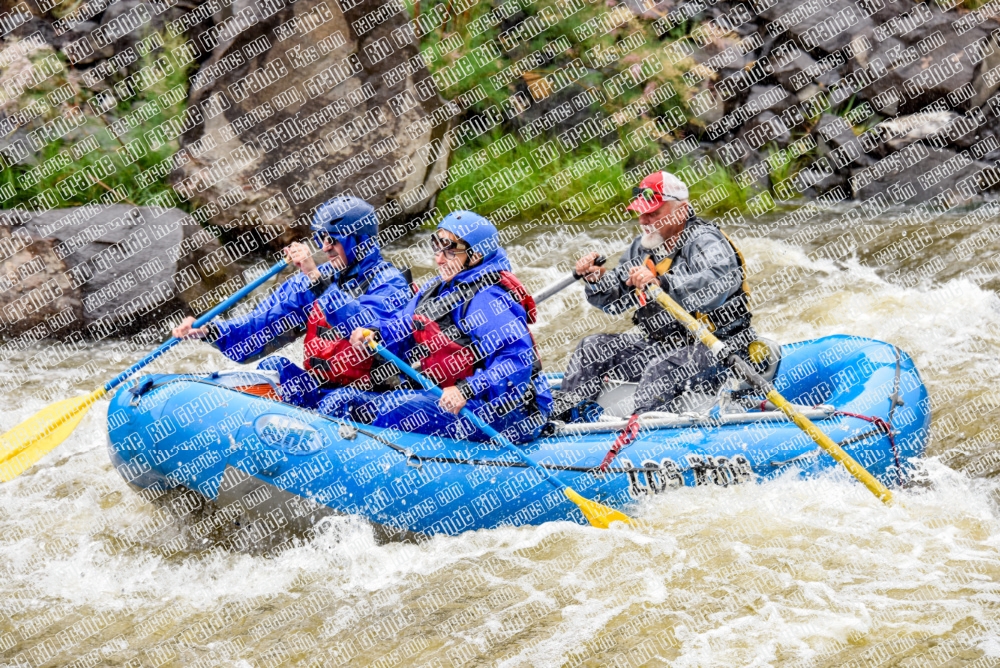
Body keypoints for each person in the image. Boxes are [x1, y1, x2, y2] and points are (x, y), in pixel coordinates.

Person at [321, 211, 553, 444]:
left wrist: (466, 390)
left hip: (509, 413)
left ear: (476, 255)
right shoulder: (438, 287)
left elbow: (516, 362)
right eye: (437, 247)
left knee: (395, 409)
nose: (439, 258)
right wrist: (375, 332)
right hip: (455, 398)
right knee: (342, 401)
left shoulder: (488, 299)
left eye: (450, 250)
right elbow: (403, 326)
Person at [171, 196, 411, 409]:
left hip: (372, 398)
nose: (325, 248)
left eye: (331, 239)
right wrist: (209, 331)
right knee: (275, 368)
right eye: (319, 239)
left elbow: (365, 327)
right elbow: (259, 328)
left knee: (337, 402)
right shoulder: (316, 279)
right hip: (323, 389)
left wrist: (316, 279)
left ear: (359, 240)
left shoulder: (390, 284)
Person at [559, 171, 758, 416]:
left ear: (681, 211)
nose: (644, 220)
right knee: (592, 348)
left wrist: (663, 284)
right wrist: (596, 279)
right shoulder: (643, 247)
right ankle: (565, 422)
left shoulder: (705, 240)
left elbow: (715, 286)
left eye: (653, 213)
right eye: (641, 213)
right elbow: (613, 301)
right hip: (665, 347)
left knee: (661, 367)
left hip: (721, 352)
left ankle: (640, 436)